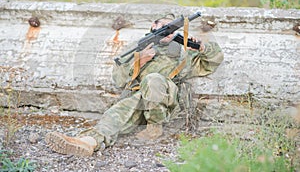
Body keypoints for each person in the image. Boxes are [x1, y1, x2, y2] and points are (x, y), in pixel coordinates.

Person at [45, 16, 224, 156]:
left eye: (172, 29)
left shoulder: (184, 53)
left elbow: (214, 60)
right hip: (139, 99)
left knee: (153, 79)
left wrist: (201, 46)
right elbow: (119, 80)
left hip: (167, 103)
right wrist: (139, 61)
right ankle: (88, 142)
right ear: (153, 29)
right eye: (163, 28)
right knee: (115, 115)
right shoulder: (138, 50)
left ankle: (154, 128)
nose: (168, 32)